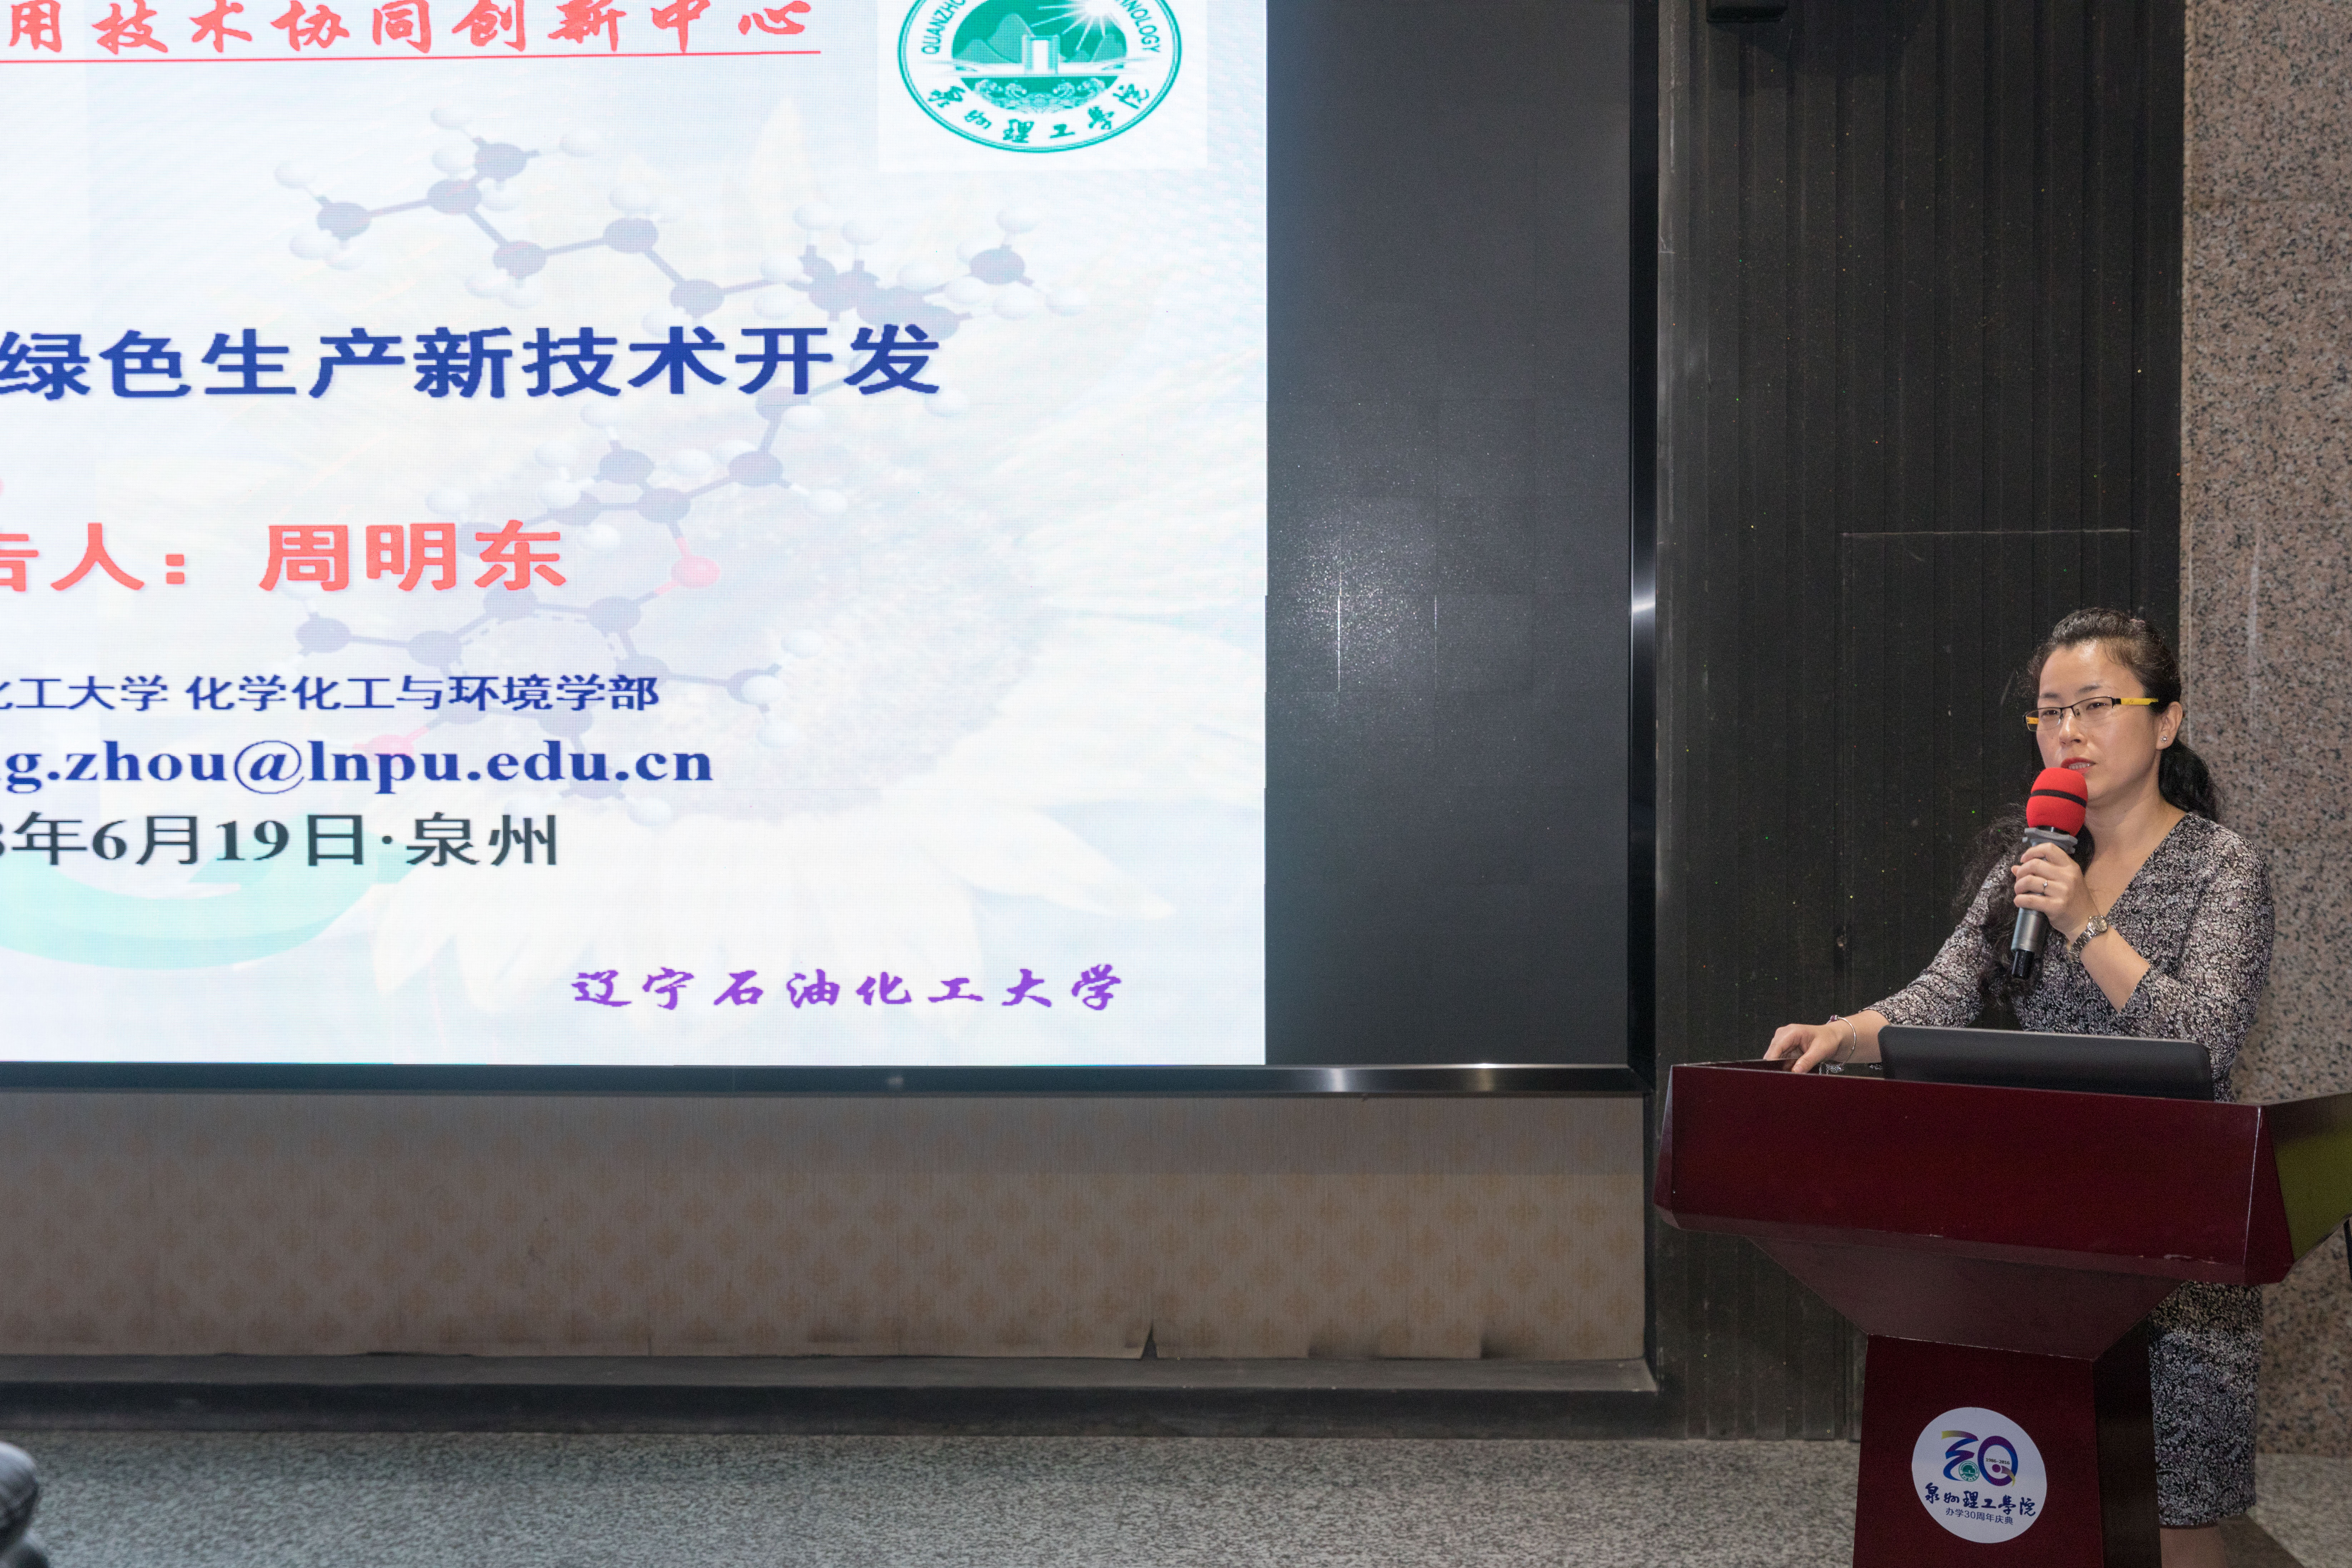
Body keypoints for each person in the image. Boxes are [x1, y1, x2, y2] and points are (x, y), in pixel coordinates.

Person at [1764, 608, 2273, 1568]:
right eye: (2051, 712)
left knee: (2175, 1504)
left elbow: (2205, 1042)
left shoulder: (2223, 867)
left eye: (2097, 706)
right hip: (2048, 1217)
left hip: (2181, 1217)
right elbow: (1941, 995)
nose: (2069, 732)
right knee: (2049, 1478)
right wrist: (1844, 1035)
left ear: (2166, 722)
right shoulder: (2030, 860)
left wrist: (2087, 924)